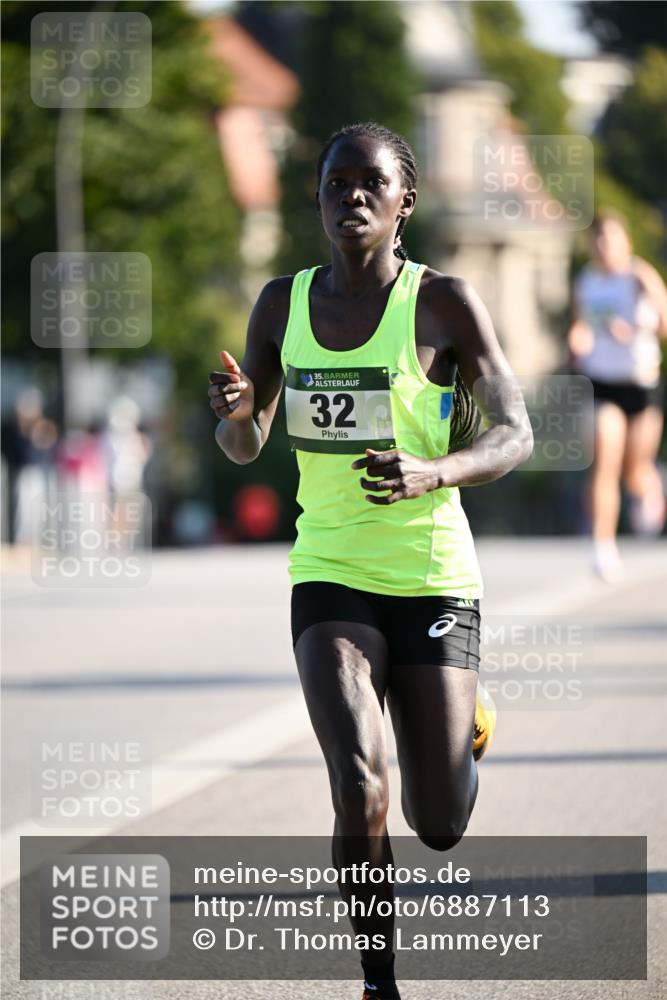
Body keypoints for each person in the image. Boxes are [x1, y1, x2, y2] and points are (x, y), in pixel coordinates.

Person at [209, 122, 533, 1000]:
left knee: (439, 822)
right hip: (329, 573)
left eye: (370, 183)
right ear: (316, 199)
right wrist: (235, 413)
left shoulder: (443, 303)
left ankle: (466, 728)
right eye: (334, 183)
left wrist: (435, 469)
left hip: (430, 576)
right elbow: (245, 444)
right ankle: (377, 983)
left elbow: (514, 432)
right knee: (357, 782)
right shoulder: (280, 304)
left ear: (403, 203)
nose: (350, 196)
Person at [567, 210, 667, 582]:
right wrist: (576, 341)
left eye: (610, 239)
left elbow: (664, 324)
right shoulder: (586, 282)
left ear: (626, 242)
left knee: (634, 471)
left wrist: (635, 329)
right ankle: (603, 546)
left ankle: (650, 488)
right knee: (605, 464)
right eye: (598, 240)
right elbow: (580, 325)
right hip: (602, 382)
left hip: (641, 383)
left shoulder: (639, 276)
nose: (603, 246)